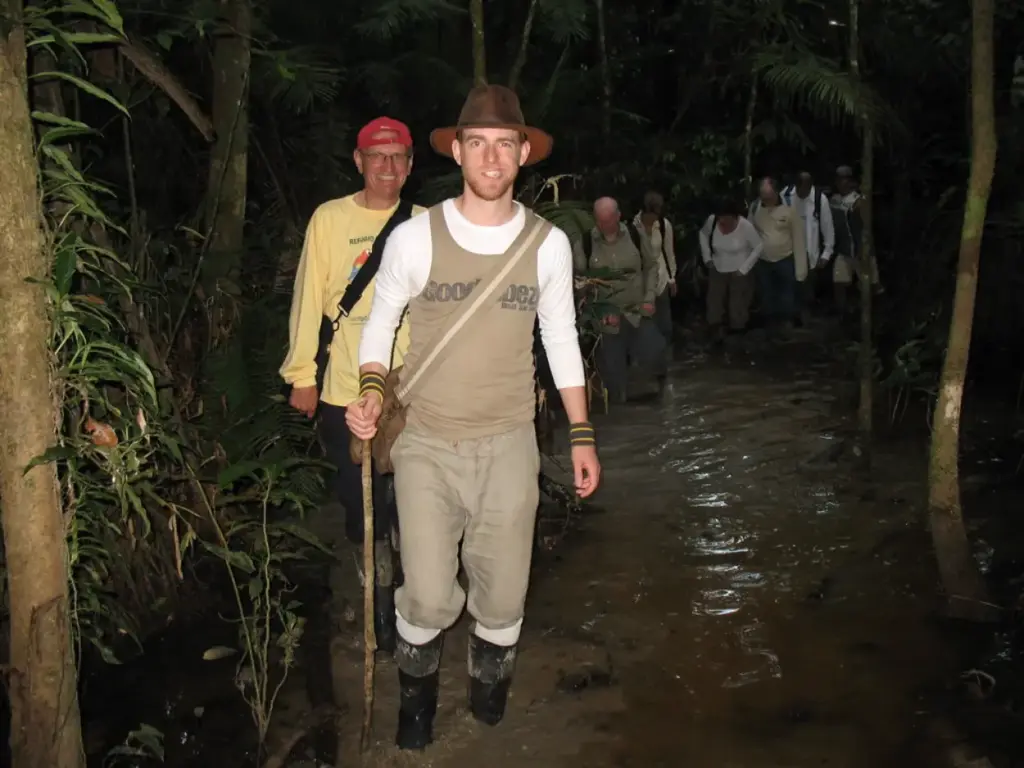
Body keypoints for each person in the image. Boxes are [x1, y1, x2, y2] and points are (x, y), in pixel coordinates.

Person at [346, 84, 601, 750]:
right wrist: (371, 391)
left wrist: (580, 435)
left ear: (523, 154)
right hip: (428, 443)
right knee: (428, 597)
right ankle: (417, 710)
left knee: (504, 598)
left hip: (511, 443)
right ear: (458, 151)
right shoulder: (414, 238)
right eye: (478, 144)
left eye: (505, 145)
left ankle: (489, 704)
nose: (491, 159)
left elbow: (562, 339)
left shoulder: (547, 246)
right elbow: (380, 325)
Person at [279, 117, 424, 655]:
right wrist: (302, 375)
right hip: (345, 386)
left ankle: (414, 597)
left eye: (398, 157)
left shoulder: (425, 221)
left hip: (414, 386)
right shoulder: (330, 219)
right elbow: (307, 297)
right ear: (359, 161)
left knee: (415, 493)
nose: (388, 166)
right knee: (359, 499)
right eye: (377, 156)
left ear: (410, 165)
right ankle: (377, 594)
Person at [574, 196, 667, 404]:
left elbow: (651, 267)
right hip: (607, 322)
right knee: (613, 379)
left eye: (609, 220)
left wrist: (649, 298)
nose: (604, 225)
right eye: (600, 221)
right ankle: (620, 412)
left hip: (637, 312)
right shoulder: (586, 243)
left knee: (655, 352)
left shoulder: (635, 235)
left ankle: (654, 415)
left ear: (618, 216)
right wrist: (597, 312)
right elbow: (579, 283)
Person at [748, 176, 807, 336]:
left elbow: (799, 239)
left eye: (768, 194)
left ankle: (786, 322)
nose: (765, 198)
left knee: (786, 292)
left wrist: (801, 269)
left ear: (775, 192)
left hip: (785, 258)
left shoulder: (789, 210)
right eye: (762, 194)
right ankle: (770, 324)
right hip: (763, 260)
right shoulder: (755, 208)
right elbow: (749, 234)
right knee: (766, 292)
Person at [698, 199, 762, 341]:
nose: (722, 221)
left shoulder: (745, 226)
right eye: (720, 217)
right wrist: (707, 257)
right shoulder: (712, 221)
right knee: (714, 299)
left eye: (726, 218)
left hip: (739, 268)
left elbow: (758, 246)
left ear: (734, 216)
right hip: (717, 266)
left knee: (737, 302)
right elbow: (703, 234)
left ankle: (738, 330)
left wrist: (744, 268)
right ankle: (715, 329)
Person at [781, 171, 835, 321]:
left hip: (809, 250)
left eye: (807, 188)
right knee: (789, 285)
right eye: (801, 188)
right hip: (788, 249)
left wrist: (826, 253)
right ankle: (790, 317)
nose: (804, 192)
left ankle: (805, 315)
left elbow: (827, 227)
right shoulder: (785, 196)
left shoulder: (819, 199)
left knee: (807, 285)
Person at [830, 165, 881, 316]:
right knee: (839, 283)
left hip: (861, 250)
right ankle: (843, 315)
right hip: (844, 250)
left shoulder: (858, 200)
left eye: (845, 179)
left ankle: (875, 315)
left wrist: (864, 249)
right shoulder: (835, 199)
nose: (842, 183)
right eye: (839, 179)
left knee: (871, 285)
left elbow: (867, 226)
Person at [633, 190, 677, 342]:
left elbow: (669, 252)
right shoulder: (634, 226)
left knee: (663, 317)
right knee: (644, 315)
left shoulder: (664, 225)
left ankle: (666, 350)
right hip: (641, 278)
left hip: (662, 275)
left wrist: (672, 279)